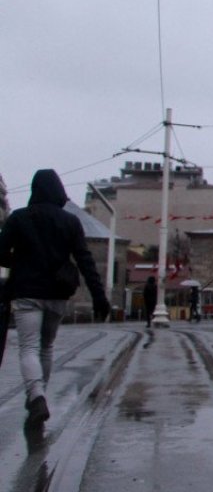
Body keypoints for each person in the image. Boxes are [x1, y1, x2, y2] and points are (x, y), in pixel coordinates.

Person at [0, 169, 110, 427]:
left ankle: (36, 395)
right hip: (58, 294)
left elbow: (0, 253)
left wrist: (19, 261)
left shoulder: (19, 218)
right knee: (46, 347)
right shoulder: (70, 222)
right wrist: (99, 297)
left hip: (27, 292)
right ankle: (39, 395)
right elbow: (85, 260)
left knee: (28, 347)